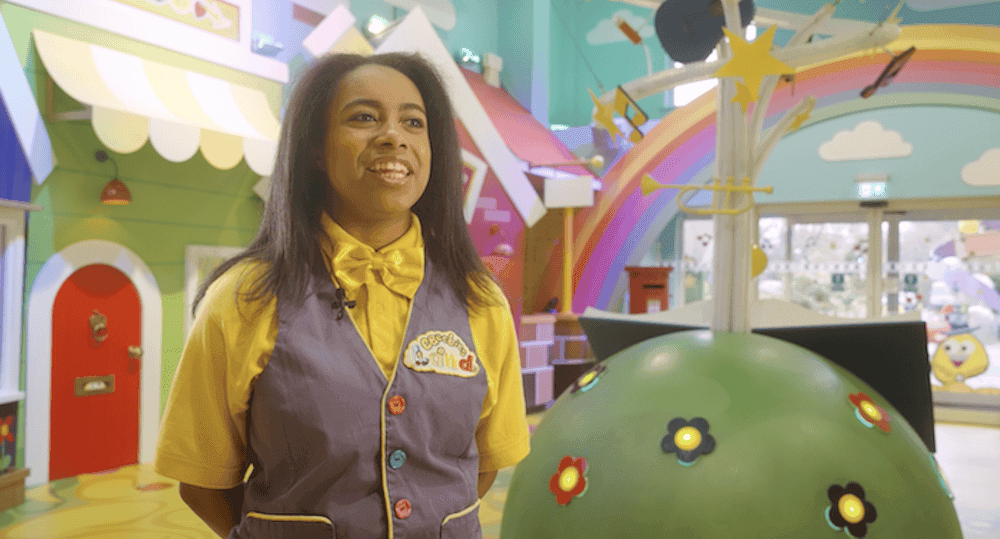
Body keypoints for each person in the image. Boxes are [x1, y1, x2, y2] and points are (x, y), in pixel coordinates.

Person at [155, 52, 531, 539]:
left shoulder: (481, 300)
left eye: (413, 122)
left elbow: (481, 466)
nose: (393, 136)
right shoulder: (242, 299)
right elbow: (202, 482)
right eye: (364, 117)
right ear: (315, 147)